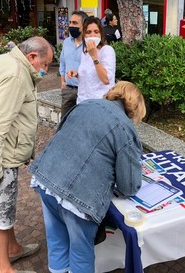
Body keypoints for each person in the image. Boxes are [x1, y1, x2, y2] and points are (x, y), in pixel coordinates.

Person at [29, 81, 146, 273]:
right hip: (79, 197)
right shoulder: (125, 128)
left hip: (46, 179)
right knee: (81, 250)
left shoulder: (85, 104)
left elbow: (62, 136)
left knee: (56, 239)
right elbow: (129, 186)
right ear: (136, 106)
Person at [0, 36, 54, 273]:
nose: (45, 70)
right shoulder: (16, 76)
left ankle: (13, 248)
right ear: (32, 57)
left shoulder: (4, 61)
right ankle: (4, 268)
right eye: (45, 64)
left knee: (5, 208)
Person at [67, 16, 116, 104]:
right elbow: (90, 76)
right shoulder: (85, 52)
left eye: (96, 32)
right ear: (84, 35)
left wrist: (94, 56)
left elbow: (106, 80)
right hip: (82, 101)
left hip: (100, 103)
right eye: (88, 32)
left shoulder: (107, 50)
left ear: (101, 34)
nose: (92, 35)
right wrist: (77, 74)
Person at [59, 10, 88, 119]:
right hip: (68, 89)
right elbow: (62, 62)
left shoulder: (90, 44)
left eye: (75, 23)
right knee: (64, 121)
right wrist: (62, 81)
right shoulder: (67, 42)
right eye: (70, 22)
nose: (71, 25)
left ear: (84, 25)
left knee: (83, 120)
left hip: (84, 90)